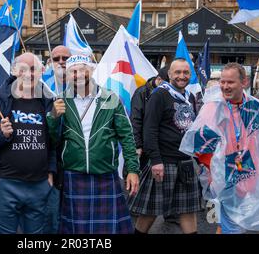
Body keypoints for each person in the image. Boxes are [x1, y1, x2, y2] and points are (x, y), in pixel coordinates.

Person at [180, 63, 259, 234]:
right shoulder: (213, 107)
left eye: (230, 82)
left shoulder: (256, 107)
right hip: (223, 178)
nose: (225, 86)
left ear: (244, 82)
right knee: (232, 226)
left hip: (250, 177)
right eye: (222, 82)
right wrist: (218, 172)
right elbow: (200, 148)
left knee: (235, 225)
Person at [48, 54, 139, 234]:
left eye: (83, 70)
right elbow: (52, 140)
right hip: (74, 172)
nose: (78, 75)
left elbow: (127, 136)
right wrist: (52, 117)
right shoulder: (60, 101)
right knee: (76, 230)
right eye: (73, 71)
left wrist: (133, 169)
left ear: (91, 71)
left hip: (105, 172)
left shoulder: (110, 98)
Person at [0, 52, 56, 234]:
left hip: (39, 184)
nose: (28, 74)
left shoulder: (49, 102)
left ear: (41, 71)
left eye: (33, 69)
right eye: (23, 69)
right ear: (14, 71)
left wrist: (51, 171)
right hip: (5, 185)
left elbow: (54, 141)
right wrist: (0, 134)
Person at [131, 58, 200, 234]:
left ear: (190, 75)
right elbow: (149, 129)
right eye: (177, 72)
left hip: (185, 161)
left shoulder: (190, 96)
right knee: (150, 211)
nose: (181, 76)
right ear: (169, 75)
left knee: (187, 210)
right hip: (164, 162)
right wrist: (155, 160)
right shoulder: (160, 95)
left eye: (185, 72)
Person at [43, 45, 71, 234]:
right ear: (49, 62)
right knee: (50, 213)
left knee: (72, 212)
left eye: (65, 58)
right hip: (49, 157)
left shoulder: (84, 85)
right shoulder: (39, 84)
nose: (61, 62)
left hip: (73, 159)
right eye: (56, 58)